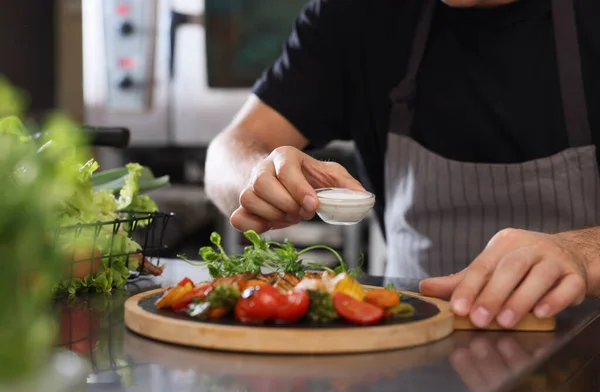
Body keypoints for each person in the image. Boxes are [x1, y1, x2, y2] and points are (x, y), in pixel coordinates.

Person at [204, 0, 600, 329]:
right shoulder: (359, 14)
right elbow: (226, 154)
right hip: (409, 353)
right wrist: (260, 176)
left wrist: (581, 253)